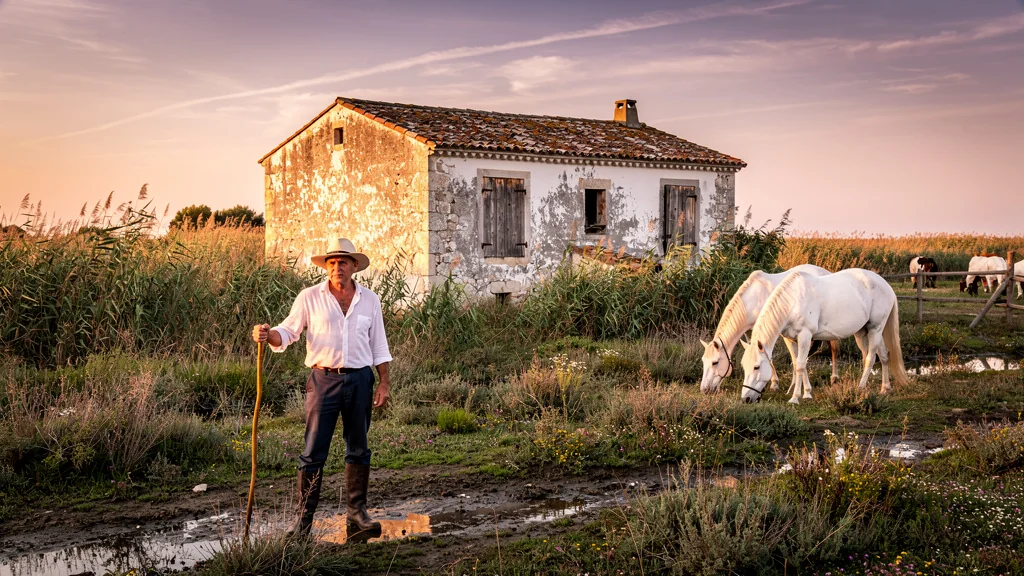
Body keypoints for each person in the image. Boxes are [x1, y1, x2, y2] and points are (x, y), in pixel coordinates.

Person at [252, 237, 392, 538]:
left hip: (360, 379)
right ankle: (303, 521)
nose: (337, 267)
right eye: (332, 262)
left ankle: (357, 513)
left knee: (359, 447)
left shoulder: (370, 300)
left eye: (343, 262)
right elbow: (288, 332)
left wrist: (383, 383)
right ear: (326, 267)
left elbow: (378, 344)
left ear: (354, 266)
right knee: (313, 451)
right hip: (323, 380)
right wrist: (268, 335)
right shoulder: (309, 297)